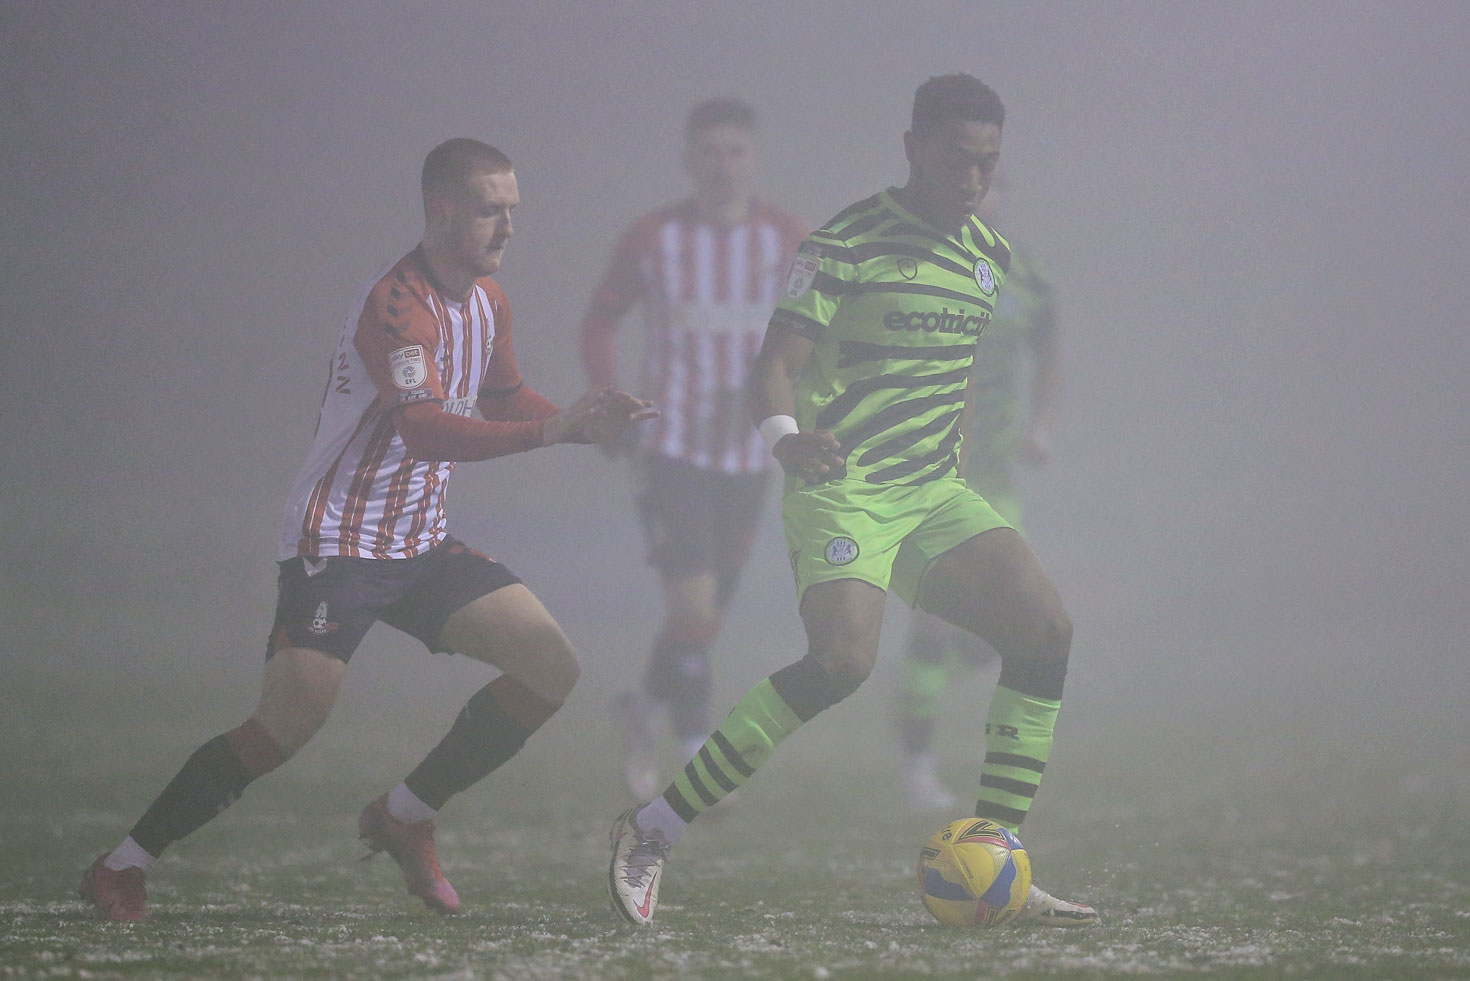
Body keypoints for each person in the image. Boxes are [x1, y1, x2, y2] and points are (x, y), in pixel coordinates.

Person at [79, 138, 655, 921]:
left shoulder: (490, 301)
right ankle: (122, 864)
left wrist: (576, 421)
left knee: (550, 666)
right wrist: (553, 436)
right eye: (492, 209)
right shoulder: (395, 306)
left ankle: (406, 814)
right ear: (442, 211)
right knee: (286, 725)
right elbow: (424, 430)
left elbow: (503, 395)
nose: (509, 226)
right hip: (339, 542)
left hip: (420, 542)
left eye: (515, 208)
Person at [606, 74, 1097, 927]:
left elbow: (962, 373)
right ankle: (651, 827)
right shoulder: (845, 242)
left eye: (987, 164)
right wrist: (786, 439)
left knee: (1046, 630)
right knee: (841, 662)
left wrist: (968, 452)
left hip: (934, 492)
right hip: (844, 491)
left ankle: (998, 863)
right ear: (912, 148)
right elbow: (772, 368)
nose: (972, 179)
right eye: (956, 159)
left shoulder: (989, 256)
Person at [579, 98, 808, 799]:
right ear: (689, 159)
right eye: (709, 152)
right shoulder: (653, 237)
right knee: (693, 601)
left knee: (706, 615)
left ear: (754, 159)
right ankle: (696, 742)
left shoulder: (787, 238)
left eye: (734, 151)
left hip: (750, 449)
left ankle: (644, 708)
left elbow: (815, 330)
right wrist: (612, 402)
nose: (722, 165)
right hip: (670, 443)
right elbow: (600, 322)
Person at [895, 170, 1063, 810]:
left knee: (1019, 619)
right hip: (931, 476)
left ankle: (963, 757)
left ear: (1001, 195)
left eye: (990, 183)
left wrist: (1041, 426)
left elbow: (1050, 357)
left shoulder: (1030, 275)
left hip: (997, 476)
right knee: (933, 626)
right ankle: (917, 762)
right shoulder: (918, 267)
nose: (976, 193)